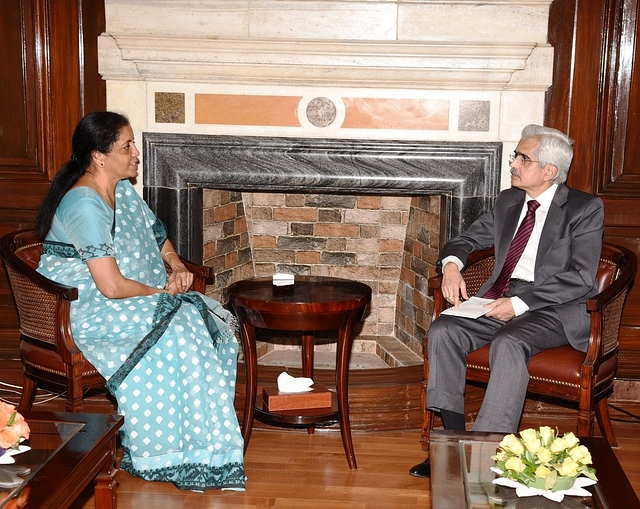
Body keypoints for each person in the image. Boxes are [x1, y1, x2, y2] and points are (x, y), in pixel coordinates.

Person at [34, 111, 246, 491]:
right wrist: (163, 292)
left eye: (133, 143)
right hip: (85, 307)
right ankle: (162, 452)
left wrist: (175, 264)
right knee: (180, 323)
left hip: (117, 297)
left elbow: (156, 235)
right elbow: (112, 286)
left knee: (197, 319)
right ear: (99, 157)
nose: (136, 153)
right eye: (126, 146)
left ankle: (204, 447)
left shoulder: (121, 189)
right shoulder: (84, 204)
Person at [410, 124, 604, 478]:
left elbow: (581, 277)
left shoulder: (584, 208)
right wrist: (452, 267)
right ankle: (453, 447)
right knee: (443, 330)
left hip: (552, 307)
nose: (512, 163)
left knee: (510, 342)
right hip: (499, 294)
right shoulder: (509, 201)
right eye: (515, 155)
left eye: (521, 157)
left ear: (549, 171)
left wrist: (521, 303)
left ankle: (486, 456)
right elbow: (465, 240)